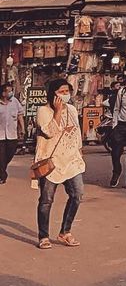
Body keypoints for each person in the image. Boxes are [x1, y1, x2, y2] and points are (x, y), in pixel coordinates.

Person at [33, 77, 86, 250]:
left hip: (71, 160)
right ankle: (43, 236)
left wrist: (79, 151)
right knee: (47, 199)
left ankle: (65, 231)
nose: (65, 95)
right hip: (51, 162)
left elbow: (76, 132)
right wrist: (57, 111)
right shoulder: (43, 111)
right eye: (61, 92)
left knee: (77, 194)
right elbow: (49, 131)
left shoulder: (71, 108)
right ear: (52, 94)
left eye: (67, 91)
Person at [0, 81, 24, 182]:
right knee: (1, 157)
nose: (10, 93)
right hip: (0, 135)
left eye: (11, 91)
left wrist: (22, 128)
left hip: (12, 134)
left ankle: (1, 170)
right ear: (3, 93)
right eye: (8, 91)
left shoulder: (15, 101)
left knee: (9, 155)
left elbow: (20, 114)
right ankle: (2, 176)